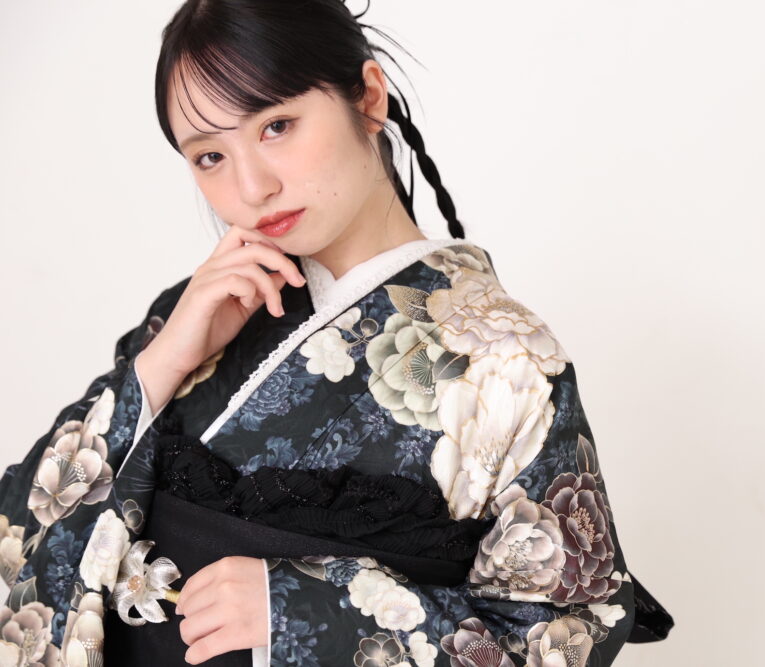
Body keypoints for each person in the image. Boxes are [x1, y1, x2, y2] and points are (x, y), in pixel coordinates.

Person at [0, 1, 673, 665]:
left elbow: (565, 633)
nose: (251, 187)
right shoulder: (196, 311)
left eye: (277, 126)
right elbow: (16, 525)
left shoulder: (509, 363)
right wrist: (162, 363)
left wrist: (310, 610)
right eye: (209, 156)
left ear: (369, 97)